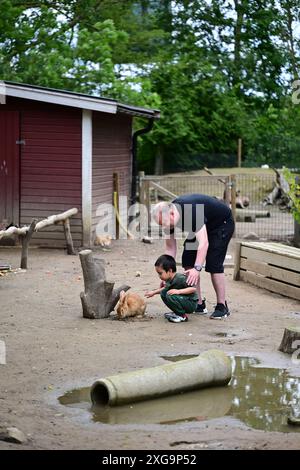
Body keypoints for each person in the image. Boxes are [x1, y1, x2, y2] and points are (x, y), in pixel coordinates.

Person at [152, 194, 235, 319]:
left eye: (165, 224)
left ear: (172, 214)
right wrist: (166, 276)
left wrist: (197, 269)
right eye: (161, 225)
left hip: (221, 224)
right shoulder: (167, 219)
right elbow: (170, 248)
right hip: (201, 227)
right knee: (188, 260)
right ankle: (198, 304)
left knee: (214, 264)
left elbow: (203, 243)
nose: (165, 228)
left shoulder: (191, 212)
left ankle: (222, 306)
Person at [145, 254, 198, 323]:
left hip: (191, 303)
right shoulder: (169, 279)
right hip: (183, 300)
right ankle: (177, 312)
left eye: (160, 273)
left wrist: (179, 291)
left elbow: (193, 289)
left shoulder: (180, 278)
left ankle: (182, 316)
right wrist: (153, 292)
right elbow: (164, 288)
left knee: (170, 295)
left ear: (169, 271)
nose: (159, 276)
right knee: (164, 292)